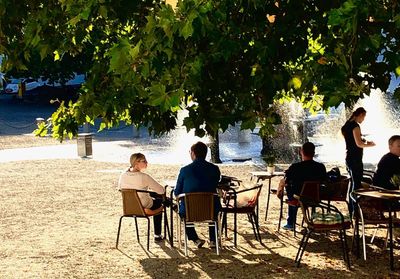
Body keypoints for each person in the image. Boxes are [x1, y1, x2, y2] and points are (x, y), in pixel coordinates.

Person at [174, 141, 221, 248]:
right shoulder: (214, 169)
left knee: (182, 212)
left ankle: (195, 239)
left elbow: (177, 192)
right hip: (210, 208)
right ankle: (213, 240)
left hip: (190, 210)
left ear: (193, 153)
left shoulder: (185, 170)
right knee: (214, 212)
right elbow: (215, 183)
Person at [118, 153, 166, 242]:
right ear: (136, 163)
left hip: (129, 207)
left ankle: (158, 233)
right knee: (160, 200)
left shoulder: (123, 175)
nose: (147, 162)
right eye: (144, 161)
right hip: (143, 205)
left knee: (151, 194)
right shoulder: (144, 177)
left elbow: (120, 188)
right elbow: (161, 190)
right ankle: (157, 234)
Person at [280, 142, 327, 230]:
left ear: (301, 152)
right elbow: (325, 180)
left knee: (289, 187)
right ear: (314, 153)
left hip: (298, 197)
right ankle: (313, 218)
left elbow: (286, 180)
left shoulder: (295, 167)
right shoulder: (320, 167)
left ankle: (291, 222)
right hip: (315, 197)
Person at [341, 107, 375, 215]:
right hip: (355, 159)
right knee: (356, 185)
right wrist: (370, 144)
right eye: (363, 117)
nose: (363, 119)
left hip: (349, 158)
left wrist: (363, 140)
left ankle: (352, 208)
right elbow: (358, 144)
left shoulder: (346, 125)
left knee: (353, 183)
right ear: (359, 115)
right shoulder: (355, 126)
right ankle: (355, 209)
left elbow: (351, 141)